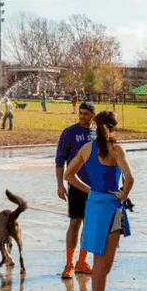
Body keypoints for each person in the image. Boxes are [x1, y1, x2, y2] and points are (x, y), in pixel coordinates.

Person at [65, 110, 134, 291]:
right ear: (114, 127)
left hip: (93, 206)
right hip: (110, 208)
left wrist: (90, 190)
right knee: (104, 265)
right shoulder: (116, 149)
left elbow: (68, 175)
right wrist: (122, 195)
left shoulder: (87, 148)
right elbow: (130, 178)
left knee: (100, 263)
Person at [56, 101, 96, 279]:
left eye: (86, 114)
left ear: (93, 116)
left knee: (90, 226)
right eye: (80, 113)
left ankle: (82, 261)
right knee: (74, 223)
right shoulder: (69, 132)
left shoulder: (98, 134)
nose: (82, 117)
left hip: (95, 189)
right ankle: (69, 263)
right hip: (76, 187)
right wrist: (59, 184)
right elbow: (59, 159)